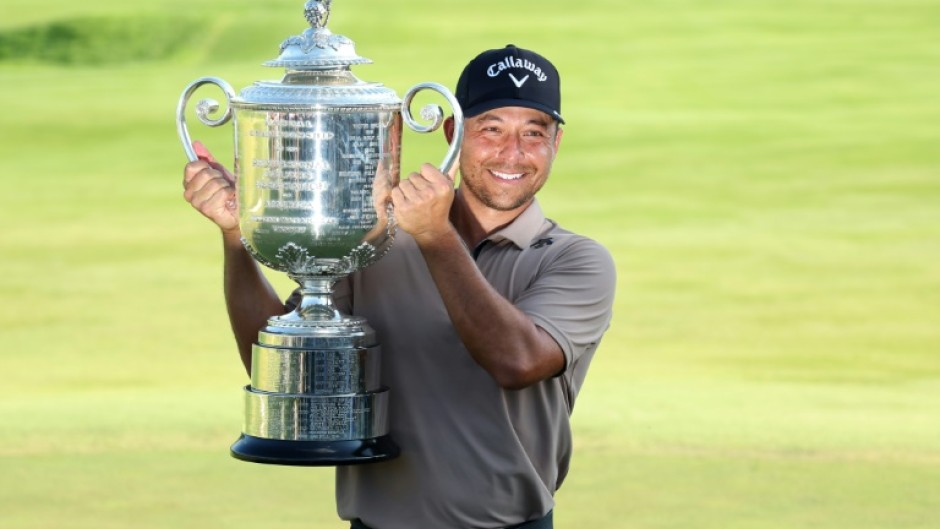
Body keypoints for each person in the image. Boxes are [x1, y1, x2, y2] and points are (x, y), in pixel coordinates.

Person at [183, 44, 616, 529]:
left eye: (533, 133)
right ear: (453, 133)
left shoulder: (575, 259)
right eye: (491, 129)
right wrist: (235, 238)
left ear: (555, 144)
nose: (512, 153)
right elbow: (285, 366)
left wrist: (433, 235)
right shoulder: (377, 240)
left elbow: (517, 361)